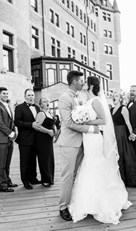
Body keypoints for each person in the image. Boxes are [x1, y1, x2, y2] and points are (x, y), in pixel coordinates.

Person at [69, 76, 132, 224]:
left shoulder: (96, 101)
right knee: (88, 163)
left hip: (95, 138)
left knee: (95, 163)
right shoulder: (85, 101)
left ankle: (102, 203)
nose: (83, 83)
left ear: (90, 86)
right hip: (87, 137)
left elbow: (104, 120)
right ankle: (89, 202)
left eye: (85, 82)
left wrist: (87, 120)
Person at [56, 70, 99, 221]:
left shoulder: (79, 97)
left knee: (77, 174)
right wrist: (90, 129)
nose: (83, 83)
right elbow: (68, 122)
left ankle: (74, 202)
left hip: (82, 142)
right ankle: (63, 207)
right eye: (81, 81)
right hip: (69, 143)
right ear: (74, 81)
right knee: (68, 176)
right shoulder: (64, 98)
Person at [111, 92, 136, 187]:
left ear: (120, 98)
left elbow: (128, 122)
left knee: (123, 155)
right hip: (114, 133)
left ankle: (128, 180)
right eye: (114, 96)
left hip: (122, 133)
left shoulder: (123, 108)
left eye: (116, 95)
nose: (114, 97)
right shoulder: (111, 109)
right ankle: (118, 179)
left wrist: (131, 133)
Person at [0, 87, 18, 192]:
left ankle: (7, 180)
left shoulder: (7, 105)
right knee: (1, 163)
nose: (5, 95)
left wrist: (14, 130)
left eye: (7, 93)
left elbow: (11, 121)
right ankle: (2, 185)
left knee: (7, 162)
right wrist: (10, 133)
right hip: (2, 139)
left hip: (9, 139)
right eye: (3, 93)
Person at [14, 89, 41, 190]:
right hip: (25, 139)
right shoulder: (19, 107)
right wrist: (31, 125)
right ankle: (25, 181)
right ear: (25, 96)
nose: (31, 97)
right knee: (25, 161)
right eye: (28, 95)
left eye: (32, 95)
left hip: (36, 139)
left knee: (33, 160)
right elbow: (17, 122)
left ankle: (33, 178)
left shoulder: (37, 107)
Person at [35, 98, 56, 187]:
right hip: (42, 140)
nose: (47, 102)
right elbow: (37, 126)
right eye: (44, 101)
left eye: (48, 101)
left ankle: (50, 178)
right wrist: (48, 131)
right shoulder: (41, 113)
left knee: (49, 159)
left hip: (49, 140)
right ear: (40, 105)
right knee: (44, 159)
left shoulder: (49, 113)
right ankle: (45, 180)